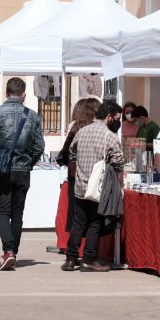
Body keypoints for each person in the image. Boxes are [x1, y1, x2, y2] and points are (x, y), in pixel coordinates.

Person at [0, 77, 45, 271]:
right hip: (23, 169)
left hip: (1, 170)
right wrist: (29, 162)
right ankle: (13, 252)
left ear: (6, 93)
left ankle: (8, 251)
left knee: (3, 212)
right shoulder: (33, 116)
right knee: (18, 214)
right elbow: (39, 146)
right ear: (24, 95)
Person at [65, 101, 125, 272]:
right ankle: (89, 259)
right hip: (98, 187)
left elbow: (72, 152)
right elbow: (119, 161)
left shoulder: (81, 131)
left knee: (78, 222)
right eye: (117, 118)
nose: (118, 122)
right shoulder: (109, 136)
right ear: (108, 117)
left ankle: (70, 259)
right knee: (94, 223)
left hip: (80, 185)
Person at [56, 97, 100, 246]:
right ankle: (88, 254)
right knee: (94, 217)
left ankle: (72, 255)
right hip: (95, 174)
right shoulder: (97, 129)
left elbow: (65, 151)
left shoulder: (75, 127)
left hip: (76, 174)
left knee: (78, 216)